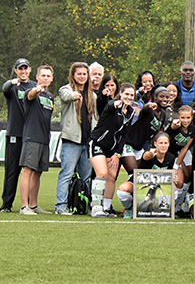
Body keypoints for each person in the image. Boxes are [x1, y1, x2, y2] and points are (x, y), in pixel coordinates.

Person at [55, 62, 97, 215]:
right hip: (71, 142)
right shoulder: (66, 89)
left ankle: (81, 206)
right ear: (73, 75)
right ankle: (61, 206)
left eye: (84, 74)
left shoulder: (92, 95)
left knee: (85, 178)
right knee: (66, 174)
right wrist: (74, 95)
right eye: (79, 74)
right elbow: (65, 97)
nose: (82, 76)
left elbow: (96, 118)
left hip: (87, 142)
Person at [89, 84, 136, 217]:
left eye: (131, 95)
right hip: (97, 143)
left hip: (112, 149)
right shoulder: (113, 105)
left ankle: (106, 208)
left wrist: (117, 154)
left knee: (112, 175)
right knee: (102, 173)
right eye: (126, 94)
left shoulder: (131, 112)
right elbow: (109, 105)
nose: (129, 97)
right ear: (121, 93)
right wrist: (114, 103)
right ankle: (96, 207)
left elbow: (124, 135)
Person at [18, 65, 54, 215]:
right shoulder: (32, 91)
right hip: (32, 137)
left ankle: (33, 205)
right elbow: (30, 95)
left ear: (52, 79)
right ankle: (24, 206)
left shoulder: (50, 97)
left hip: (44, 138)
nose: (45, 78)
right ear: (37, 77)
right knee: (28, 170)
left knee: (38, 172)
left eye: (48, 76)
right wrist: (36, 90)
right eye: (43, 75)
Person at [1, 58, 36, 213]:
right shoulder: (13, 86)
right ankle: (6, 205)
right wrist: (12, 82)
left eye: (25, 68)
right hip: (15, 134)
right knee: (12, 171)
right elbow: (5, 88)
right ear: (15, 70)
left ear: (30, 70)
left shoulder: (35, 86)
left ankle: (28, 204)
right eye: (19, 68)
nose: (23, 71)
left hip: (31, 135)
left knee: (30, 171)